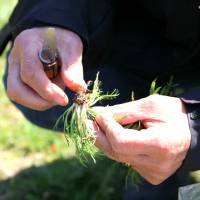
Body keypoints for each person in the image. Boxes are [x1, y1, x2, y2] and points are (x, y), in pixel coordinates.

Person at [1, 0, 200, 199]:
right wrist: (53, 18)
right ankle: (149, 154)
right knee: (31, 80)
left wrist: (193, 126)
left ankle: (166, 158)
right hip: (140, 38)